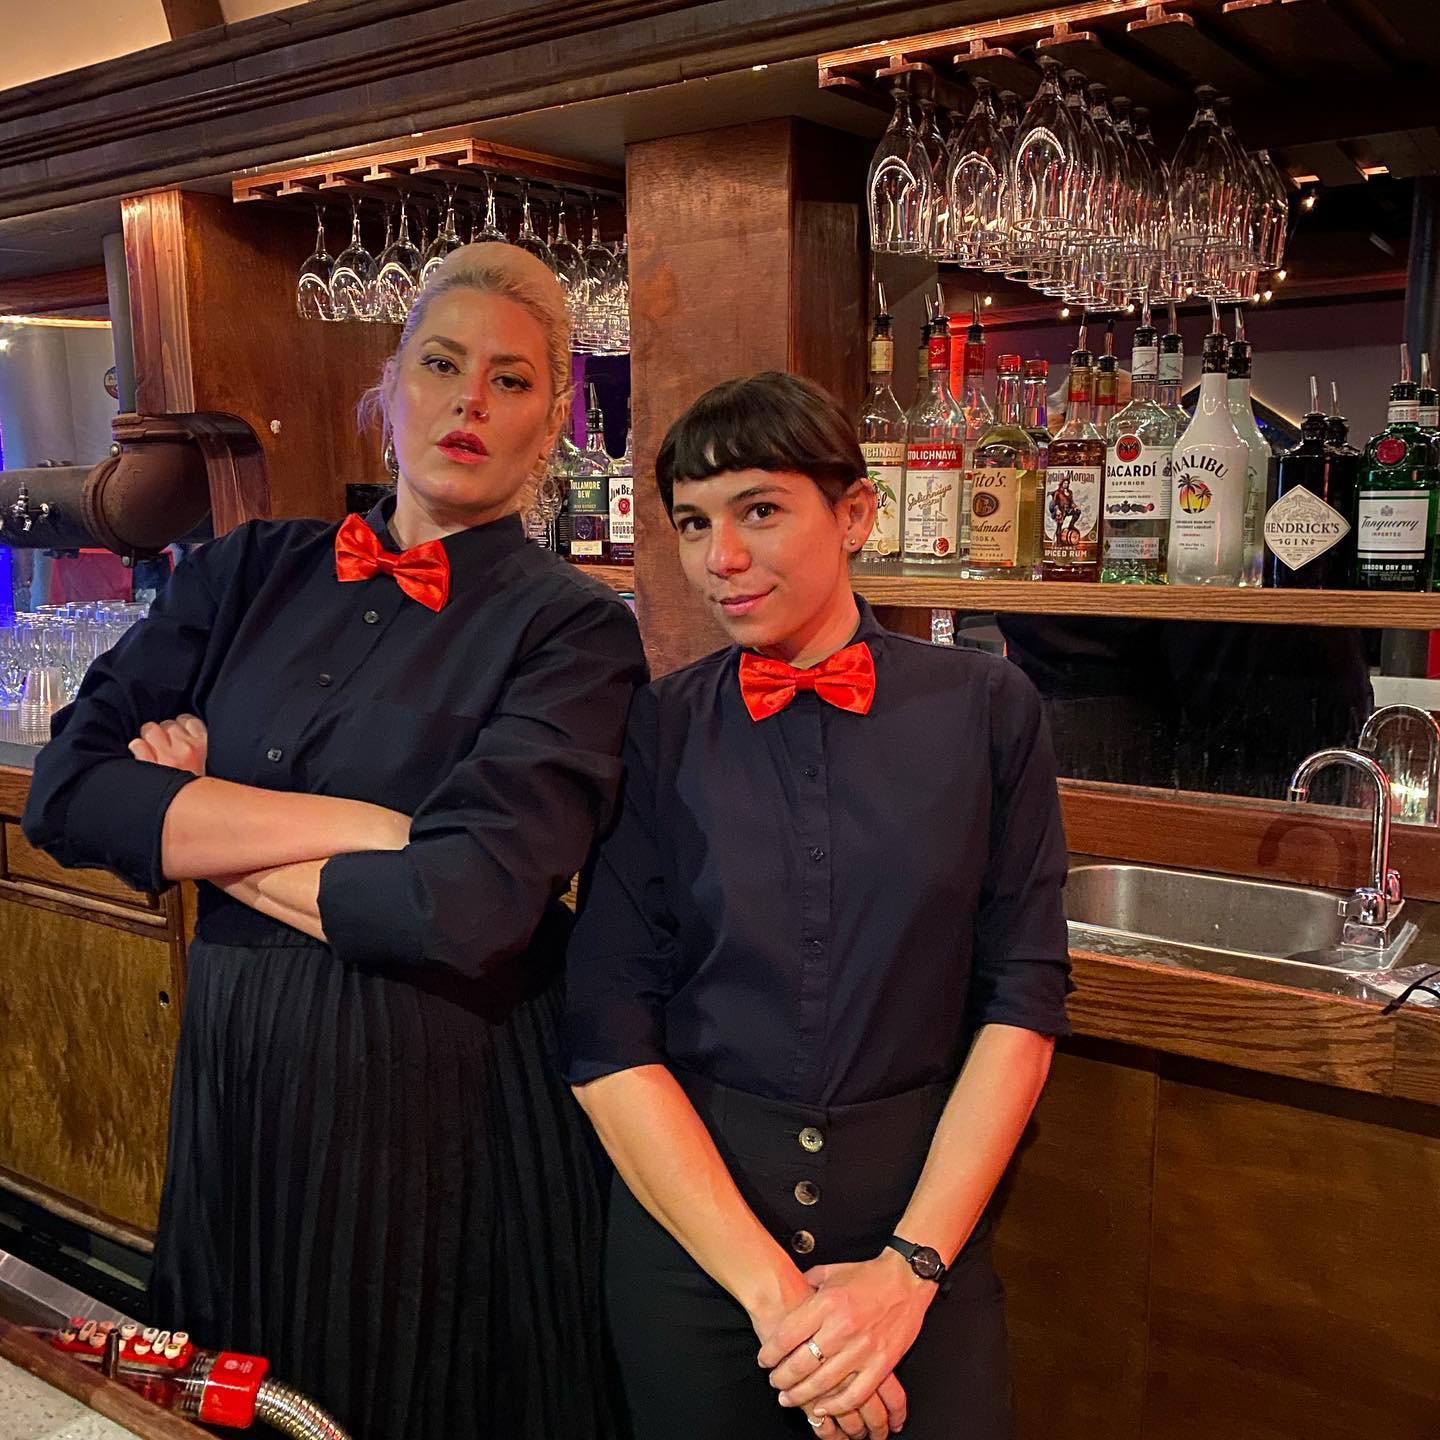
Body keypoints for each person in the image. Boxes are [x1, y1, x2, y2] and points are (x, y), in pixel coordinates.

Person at [23, 243, 646, 1440]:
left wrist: (198, 820)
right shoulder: (245, 569)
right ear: (387, 390)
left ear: (551, 426)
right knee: (235, 1397)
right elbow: (69, 794)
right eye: (442, 364)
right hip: (239, 1083)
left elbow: (463, 909)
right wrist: (378, 831)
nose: (471, 401)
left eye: (512, 381)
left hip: (439, 1108)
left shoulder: (573, 632)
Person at [564, 371, 1071, 1440]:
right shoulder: (655, 726)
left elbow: (1023, 1001)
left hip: (919, 1240)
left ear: (855, 514)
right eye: (694, 523)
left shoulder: (987, 707)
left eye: (759, 510)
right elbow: (608, 1033)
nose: (721, 558)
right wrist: (784, 1307)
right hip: (700, 1258)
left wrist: (907, 1274)